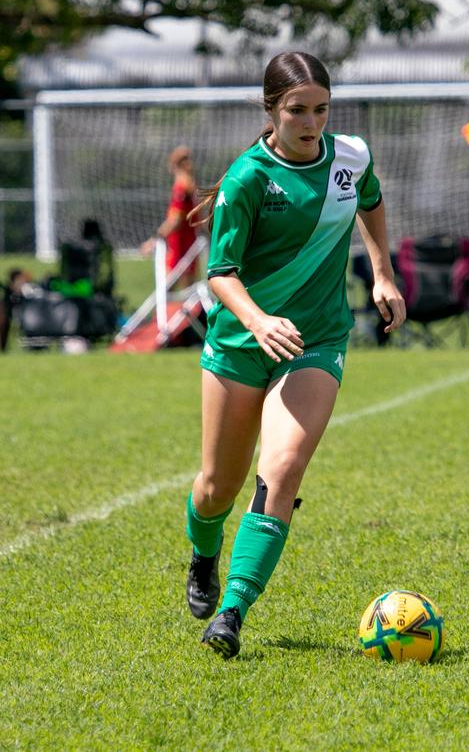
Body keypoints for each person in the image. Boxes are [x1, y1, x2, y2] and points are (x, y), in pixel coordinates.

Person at [183, 51, 406, 658]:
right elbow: (220, 274)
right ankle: (203, 556)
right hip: (240, 343)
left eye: (322, 110)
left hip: (317, 340)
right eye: (298, 111)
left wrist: (382, 273)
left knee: (280, 471)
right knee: (216, 487)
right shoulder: (247, 180)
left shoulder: (349, 157)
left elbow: (371, 198)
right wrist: (256, 321)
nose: (312, 123)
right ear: (271, 111)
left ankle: (231, 612)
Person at [140, 145, 199, 288]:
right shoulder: (190, 186)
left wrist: (154, 239)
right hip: (189, 243)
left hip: (180, 245)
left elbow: (175, 221)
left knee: (167, 290)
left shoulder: (181, 188)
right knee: (188, 291)